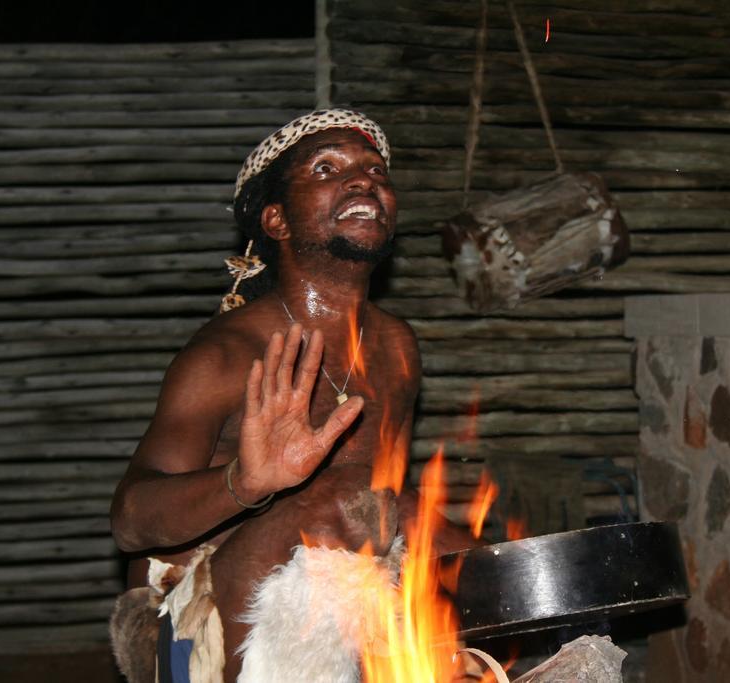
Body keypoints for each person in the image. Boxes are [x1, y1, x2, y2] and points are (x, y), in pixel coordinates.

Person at [109, 109, 468, 682]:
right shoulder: (226, 355)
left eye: (375, 170)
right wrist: (246, 484)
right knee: (347, 498)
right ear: (276, 220)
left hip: (342, 615)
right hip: (193, 636)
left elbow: (390, 509)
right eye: (326, 168)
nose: (363, 180)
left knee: (433, 529)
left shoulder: (395, 346)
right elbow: (129, 523)